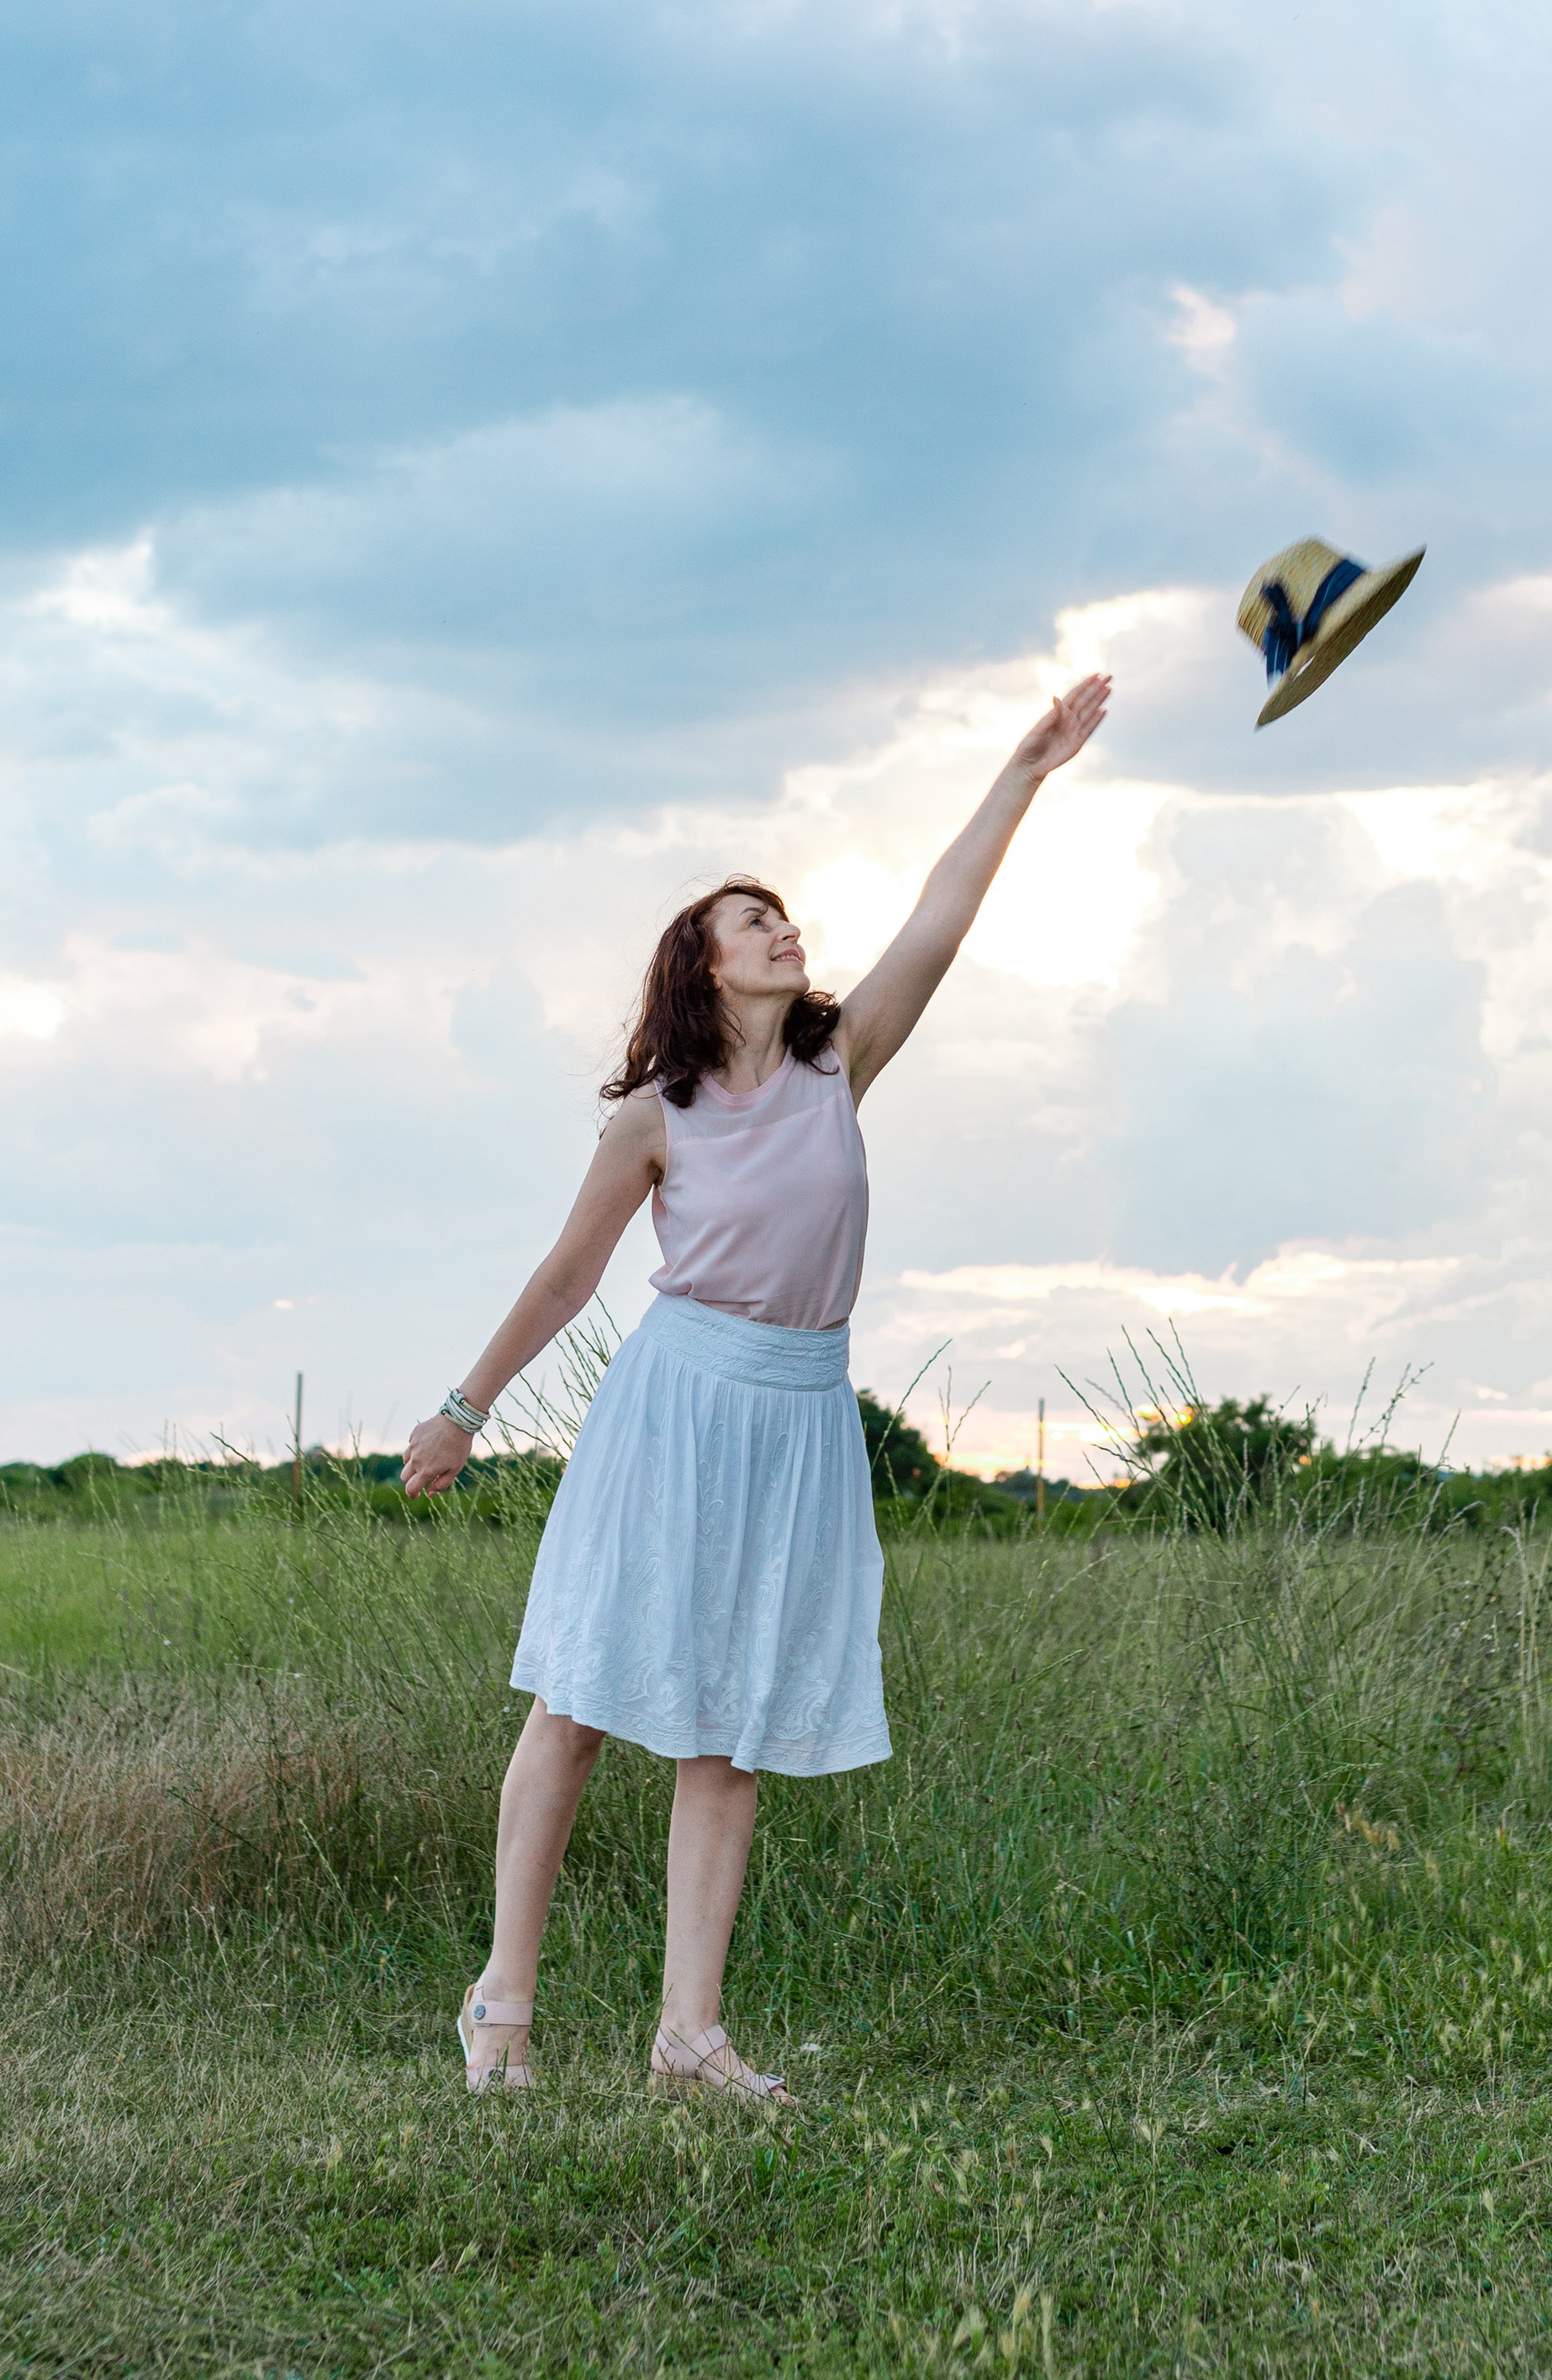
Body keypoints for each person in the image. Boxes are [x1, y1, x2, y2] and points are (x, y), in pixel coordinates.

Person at [401, 672, 1111, 2102]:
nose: (784, 930)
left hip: (800, 1415)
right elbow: (566, 1278)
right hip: (675, 1409)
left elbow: (942, 916)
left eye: (784, 916)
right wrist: (464, 1411)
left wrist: (1024, 773)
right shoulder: (654, 1120)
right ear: (706, 969)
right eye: (752, 921)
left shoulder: (840, 1063)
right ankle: (502, 2002)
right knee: (581, 1705)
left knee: (732, 1732)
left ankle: (689, 2038)